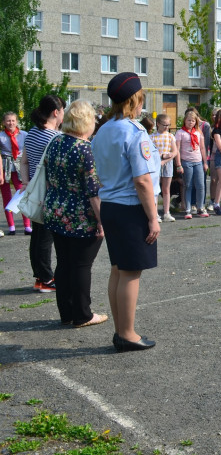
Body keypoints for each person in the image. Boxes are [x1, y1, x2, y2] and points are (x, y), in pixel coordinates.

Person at [92, 72, 159, 351]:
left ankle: (121, 330)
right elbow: (142, 180)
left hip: (110, 206)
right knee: (131, 272)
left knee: (118, 270)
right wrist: (154, 217)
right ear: (135, 100)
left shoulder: (104, 129)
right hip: (131, 208)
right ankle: (127, 333)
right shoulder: (134, 131)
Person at [43, 100, 107, 328]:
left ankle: (67, 313)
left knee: (64, 263)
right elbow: (93, 192)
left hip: (55, 211)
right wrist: (102, 222)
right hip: (80, 217)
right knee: (81, 265)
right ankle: (82, 315)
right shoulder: (84, 148)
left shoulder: (55, 141)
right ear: (87, 122)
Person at [19, 94, 65, 292]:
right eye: (63, 111)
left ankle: (40, 276)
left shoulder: (31, 133)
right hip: (50, 193)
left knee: (37, 236)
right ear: (56, 112)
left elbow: (24, 162)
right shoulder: (55, 137)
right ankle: (46, 278)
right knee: (46, 238)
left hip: (34, 190)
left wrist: (26, 182)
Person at [1, 112, 30, 235]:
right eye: (8, 121)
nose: (11, 123)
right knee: (6, 196)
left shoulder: (24, 135)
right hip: (5, 165)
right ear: (3, 123)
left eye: (13, 120)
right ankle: (11, 226)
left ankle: (27, 225)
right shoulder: (1, 136)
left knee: (22, 194)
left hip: (19, 165)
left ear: (16, 121)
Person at [175, 111, 208, 219]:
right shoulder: (180, 133)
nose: (190, 122)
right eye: (188, 120)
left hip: (198, 161)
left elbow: (202, 148)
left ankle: (200, 207)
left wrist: (205, 162)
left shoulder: (198, 133)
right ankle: (188, 209)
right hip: (186, 162)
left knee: (200, 185)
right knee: (188, 185)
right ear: (185, 120)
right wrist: (179, 164)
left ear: (196, 122)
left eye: (193, 121)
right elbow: (177, 149)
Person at [150, 114, 178, 222]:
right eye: (164, 125)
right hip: (156, 164)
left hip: (168, 164)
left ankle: (167, 212)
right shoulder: (152, 137)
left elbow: (175, 152)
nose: (167, 127)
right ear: (158, 124)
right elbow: (151, 153)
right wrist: (161, 157)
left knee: (166, 189)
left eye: (168, 125)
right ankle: (155, 214)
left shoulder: (170, 136)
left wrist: (165, 160)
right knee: (155, 190)